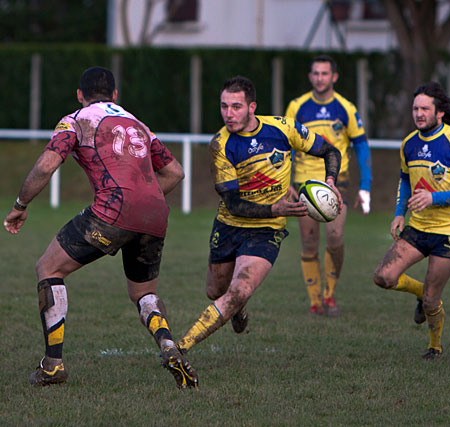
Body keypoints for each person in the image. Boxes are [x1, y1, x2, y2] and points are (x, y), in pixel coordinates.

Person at [3, 67, 198, 388]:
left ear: (80, 95)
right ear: (116, 95)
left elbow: (47, 164)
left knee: (48, 268)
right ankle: (168, 345)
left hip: (113, 209)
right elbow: (175, 172)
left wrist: (20, 205)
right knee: (144, 292)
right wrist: (143, 200)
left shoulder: (78, 119)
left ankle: (53, 365)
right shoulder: (137, 123)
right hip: (155, 215)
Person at [176, 76, 342, 353]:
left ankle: (179, 348)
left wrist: (331, 180)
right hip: (229, 225)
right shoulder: (221, 145)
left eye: (236, 107)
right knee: (215, 291)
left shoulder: (283, 128)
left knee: (239, 291)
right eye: (224, 106)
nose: (229, 114)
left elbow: (329, 151)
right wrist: (276, 207)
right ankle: (237, 309)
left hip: (267, 230)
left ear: (252, 107)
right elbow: (233, 204)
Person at [373, 82, 450, 360]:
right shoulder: (409, 144)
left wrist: (434, 199)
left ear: (440, 112)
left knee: (434, 299)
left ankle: (435, 346)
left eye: (424, 109)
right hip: (418, 227)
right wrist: (399, 212)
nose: (419, 114)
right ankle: (420, 291)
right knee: (383, 277)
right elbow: (405, 181)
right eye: (415, 108)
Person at [285, 55, 372, 316]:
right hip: (303, 183)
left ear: (334, 77)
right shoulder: (297, 106)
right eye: (315, 73)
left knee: (335, 237)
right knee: (309, 243)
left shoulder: (345, 107)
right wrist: (285, 182)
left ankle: (330, 295)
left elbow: (362, 145)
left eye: (325, 73)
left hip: (338, 182)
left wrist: (365, 185)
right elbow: (286, 145)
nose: (319, 78)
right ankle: (315, 301)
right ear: (310, 77)